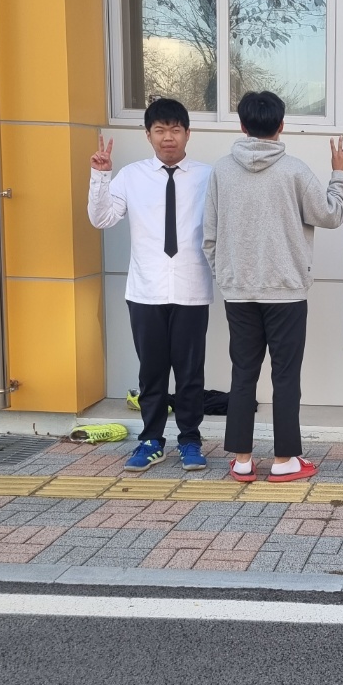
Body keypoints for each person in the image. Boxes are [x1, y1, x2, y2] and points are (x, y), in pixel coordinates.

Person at [202, 91, 343, 483]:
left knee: (242, 374)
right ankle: (285, 460)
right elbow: (331, 215)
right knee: (285, 376)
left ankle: (242, 460)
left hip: (239, 292)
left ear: (242, 125)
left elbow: (210, 236)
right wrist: (339, 174)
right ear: (281, 125)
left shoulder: (221, 171)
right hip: (287, 292)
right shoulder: (295, 171)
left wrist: (227, 276)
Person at [87, 99, 212, 473]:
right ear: (148, 135)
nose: (168, 137)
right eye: (160, 130)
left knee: (190, 374)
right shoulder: (131, 176)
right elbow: (101, 218)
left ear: (188, 133)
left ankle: (190, 441)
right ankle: (151, 441)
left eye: (175, 130)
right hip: (145, 291)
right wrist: (100, 177)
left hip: (192, 289)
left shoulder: (209, 177)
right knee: (152, 372)